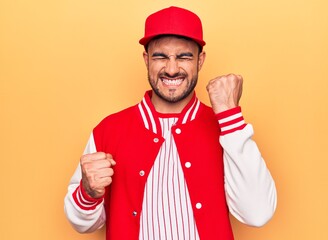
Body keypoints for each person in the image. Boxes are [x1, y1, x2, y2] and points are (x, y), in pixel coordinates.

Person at [64, 6, 277, 240]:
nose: (172, 69)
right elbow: (83, 224)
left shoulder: (225, 127)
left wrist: (230, 116)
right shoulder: (109, 130)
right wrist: (88, 192)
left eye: (184, 56)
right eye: (160, 56)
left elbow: (257, 214)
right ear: (146, 60)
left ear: (200, 60)